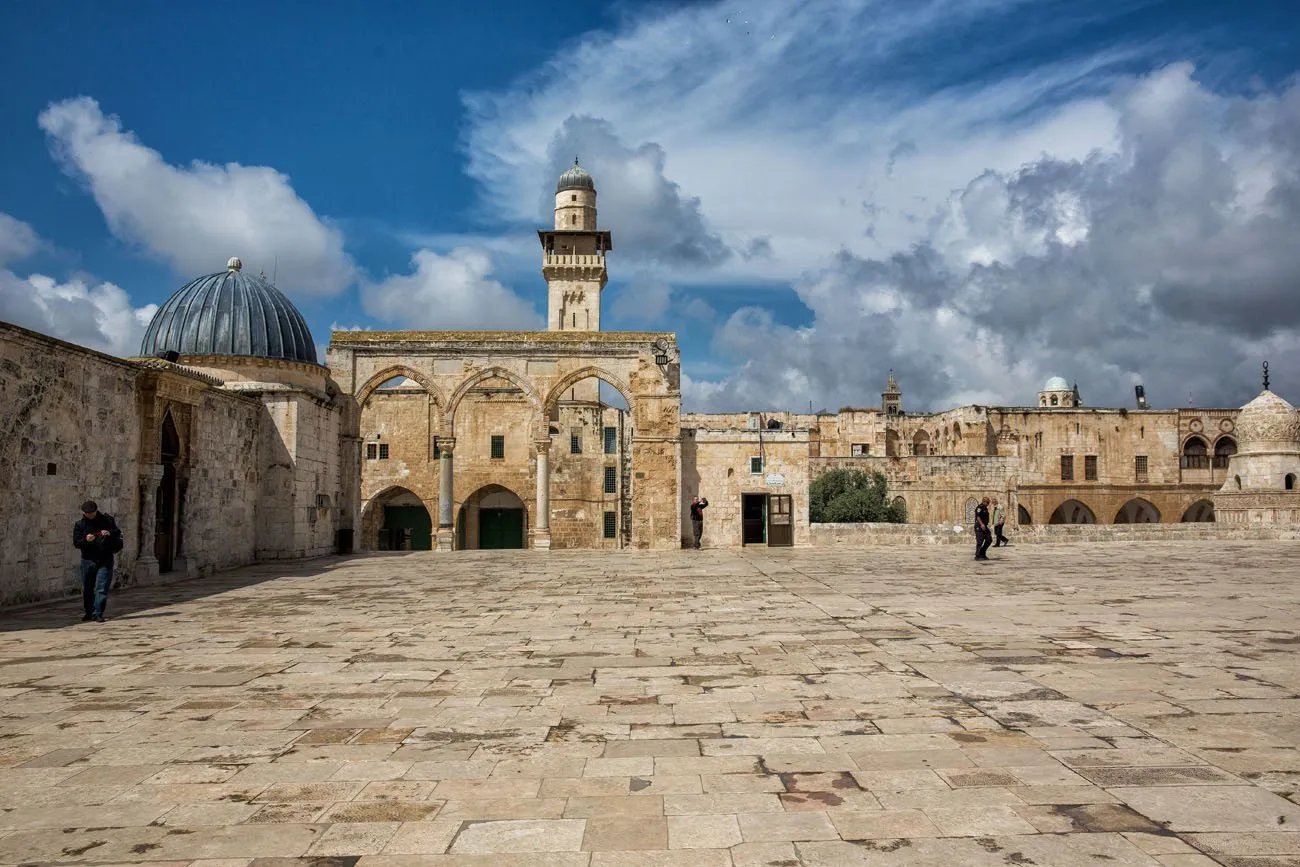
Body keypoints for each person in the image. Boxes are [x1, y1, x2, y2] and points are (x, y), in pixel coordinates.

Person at [73, 500, 123, 622]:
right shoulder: (80, 525)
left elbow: (117, 533)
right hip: (88, 560)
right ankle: (88, 612)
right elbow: (76, 543)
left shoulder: (107, 520)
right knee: (88, 588)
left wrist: (108, 533)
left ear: (96, 511)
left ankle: (98, 613)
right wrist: (86, 540)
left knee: (101, 587)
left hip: (104, 558)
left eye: (91, 513)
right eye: (87, 513)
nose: (89, 515)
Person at [974, 496, 992, 561]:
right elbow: (978, 516)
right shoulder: (979, 507)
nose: (988, 504)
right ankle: (978, 555)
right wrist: (981, 524)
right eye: (988, 502)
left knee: (989, 539)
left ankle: (982, 553)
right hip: (979, 526)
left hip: (984, 526)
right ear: (984, 502)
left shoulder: (985, 508)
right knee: (980, 541)